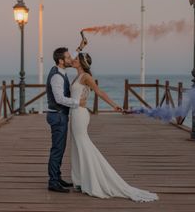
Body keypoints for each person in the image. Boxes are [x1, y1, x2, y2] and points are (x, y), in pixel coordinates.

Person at [70, 52, 159, 202]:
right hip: (73, 113)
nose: (73, 60)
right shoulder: (77, 76)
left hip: (80, 114)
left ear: (82, 63)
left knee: (83, 145)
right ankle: (79, 180)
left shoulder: (86, 76)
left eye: (76, 59)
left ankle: (93, 181)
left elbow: (99, 92)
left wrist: (114, 105)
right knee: (75, 146)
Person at [46, 47, 86, 193]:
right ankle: (53, 182)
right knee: (57, 149)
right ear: (61, 61)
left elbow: (72, 56)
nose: (71, 59)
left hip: (58, 115)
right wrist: (77, 102)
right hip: (57, 116)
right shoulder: (57, 76)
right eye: (68, 58)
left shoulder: (60, 70)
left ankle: (57, 177)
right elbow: (59, 98)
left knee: (60, 148)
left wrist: (80, 47)